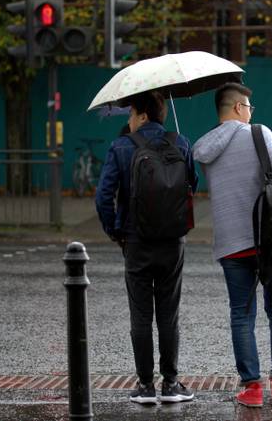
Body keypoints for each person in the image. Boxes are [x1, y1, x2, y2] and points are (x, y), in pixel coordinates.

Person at [192, 83, 272, 407]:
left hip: (231, 244)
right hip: (269, 240)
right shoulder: (259, 134)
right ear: (238, 108)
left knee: (241, 315)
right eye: (249, 106)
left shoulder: (204, 149)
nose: (252, 113)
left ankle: (251, 388)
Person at [95, 91, 199, 404]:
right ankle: (171, 383)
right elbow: (193, 185)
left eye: (130, 114)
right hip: (172, 241)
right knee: (169, 315)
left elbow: (103, 197)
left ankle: (145, 386)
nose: (128, 121)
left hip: (135, 240)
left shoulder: (122, 146)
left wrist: (116, 231)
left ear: (141, 115)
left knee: (140, 316)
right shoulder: (180, 142)